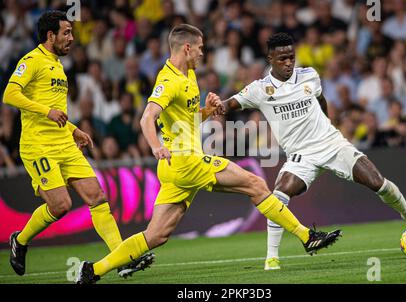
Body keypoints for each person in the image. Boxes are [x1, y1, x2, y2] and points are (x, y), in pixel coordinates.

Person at [76, 24, 342, 284]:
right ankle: (307, 236)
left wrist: (208, 110)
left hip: (177, 169)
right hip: (185, 161)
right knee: (256, 184)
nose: (204, 53)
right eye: (200, 48)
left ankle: (94, 270)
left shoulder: (188, 75)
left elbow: (188, 120)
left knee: (155, 236)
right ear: (187, 48)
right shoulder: (168, 81)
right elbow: (147, 117)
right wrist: (155, 146)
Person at [215, 33, 406, 271]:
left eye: (291, 57)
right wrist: (216, 104)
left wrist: (328, 124)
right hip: (301, 156)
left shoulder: (310, 75)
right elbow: (228, 105)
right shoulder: (259, 89)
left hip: (331, 144)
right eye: (282, 59)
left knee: (377, 183)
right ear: (271, 58)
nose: (289, 63)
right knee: (278, 195)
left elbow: (320, 100)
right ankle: (272, 259)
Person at [2, 11, 153, 278]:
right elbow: (10, 93)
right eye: (66, 32)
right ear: (51, 36)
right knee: (61, 206)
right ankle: (21, 240)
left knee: (97, 197)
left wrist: (74, 130)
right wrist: (46, 111)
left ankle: (121, 257)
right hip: (39, 146)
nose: (72, 38)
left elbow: (56, 110)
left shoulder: (58, 65)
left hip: (64, 143)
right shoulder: (32, 60)